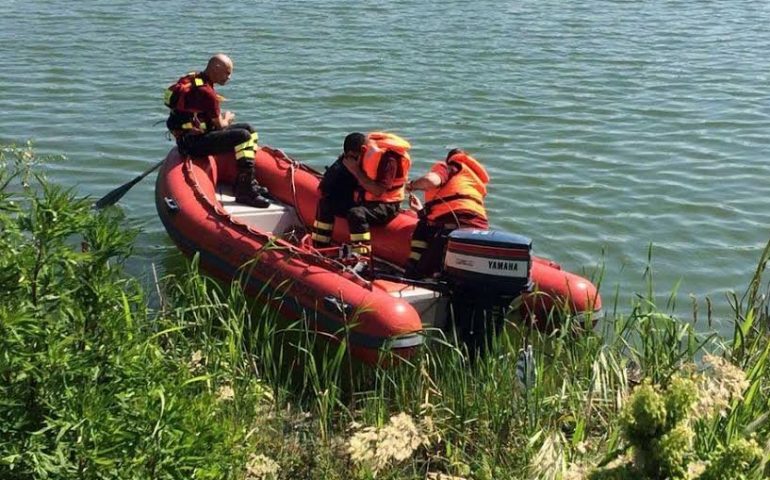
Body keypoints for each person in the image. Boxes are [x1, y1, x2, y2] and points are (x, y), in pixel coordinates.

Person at [164, 53, 269, 208]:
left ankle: (247, 182)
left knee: (249, 129)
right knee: (244, 136)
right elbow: (221, 126)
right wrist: (228, 117)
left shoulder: (194, 79)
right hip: (193, 144)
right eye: (227, 72)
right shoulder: (207, 93)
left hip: (187, 138)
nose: (229, 77)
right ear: (216, 68)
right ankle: (244, 192)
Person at [312, 132, 412, 258]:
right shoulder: (359, 155)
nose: (350, 161)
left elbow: (378, 191)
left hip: (386, 205)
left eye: (353, 157)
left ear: (363, 150)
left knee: (356, 213)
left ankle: (361, 258)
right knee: (326, 202)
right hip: (364, 200)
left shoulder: (388, 160)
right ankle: (319, 248)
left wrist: (355, 170)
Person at [404, 148, 490, 279]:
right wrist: (421, 211)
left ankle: (416, 272)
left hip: (456, 226)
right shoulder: (472, 180)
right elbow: (456, 206)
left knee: (420, 273)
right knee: (424, 226)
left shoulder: (450, 168)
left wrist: (412, 185)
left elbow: (431, 181)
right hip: (479, 229)